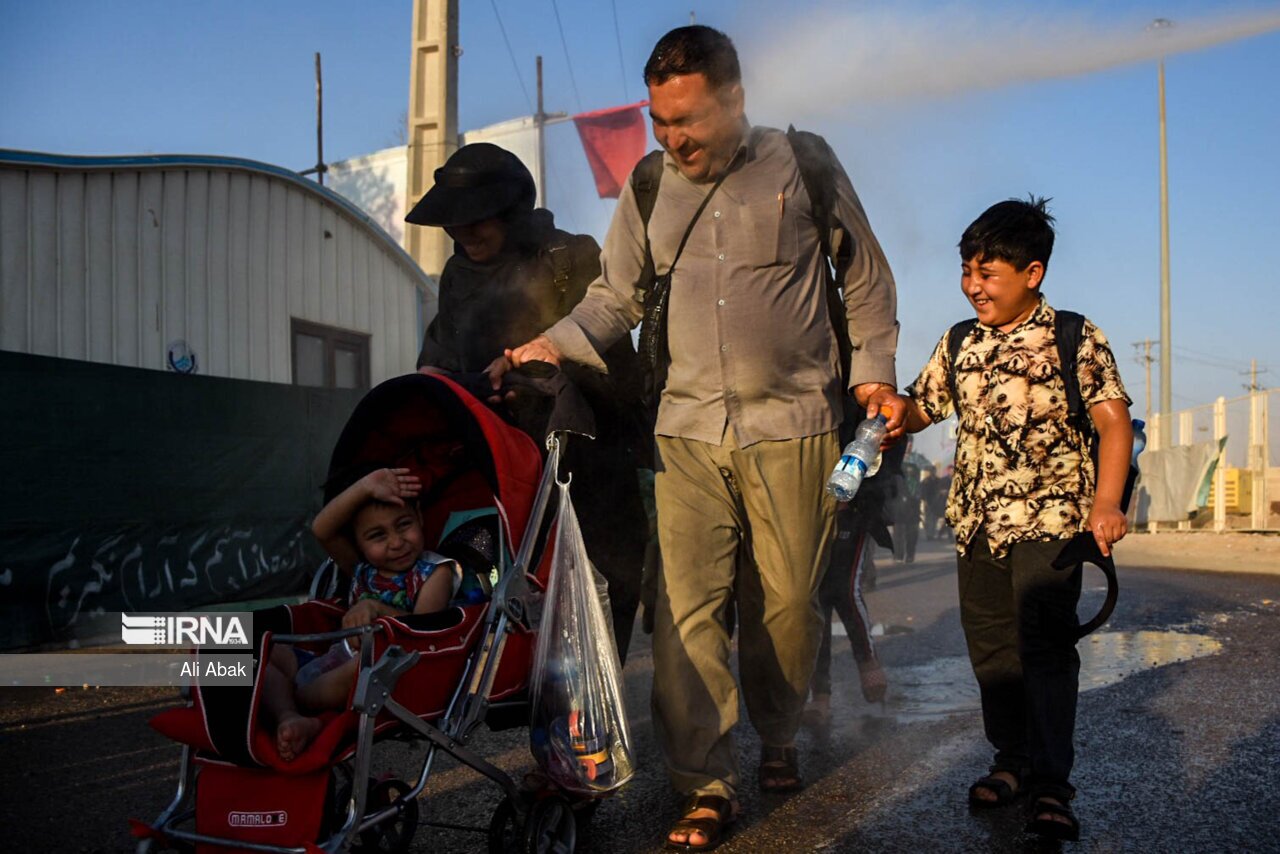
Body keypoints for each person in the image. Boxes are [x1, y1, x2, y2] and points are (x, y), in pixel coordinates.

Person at [493, 26, 906, 851]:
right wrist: (552, 343)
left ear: (734, 99)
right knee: (686, 612)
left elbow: (863, 275)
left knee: (788, 606)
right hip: (685, 429)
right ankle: (705, 784)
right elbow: (614, 296)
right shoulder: (649, 185)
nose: (672, 138)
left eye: (687, 119)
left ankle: (778, 730)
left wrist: (874, 375)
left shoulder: (803, 164)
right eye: (659, 121)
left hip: (795, 425)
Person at [900, 197, 1132, 842]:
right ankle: (1013, 760)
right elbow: (922, 407)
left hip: (1051, 522)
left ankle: (1052, 785)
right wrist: (892, 411)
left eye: (988, 273)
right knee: (993, 651)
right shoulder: (959, 341)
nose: (973, 286)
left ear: (1032, 273)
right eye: (966, 271)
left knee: (1046, 650)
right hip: (976, 522)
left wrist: (1106, 502)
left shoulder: (1074, 335)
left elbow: (1113, 422)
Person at [405, 142, 650, 663]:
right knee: (517, 611)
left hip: (590, 466)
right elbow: (440, 355)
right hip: (504, 473)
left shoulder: (569, 257)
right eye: (454, 223)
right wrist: (436, 381)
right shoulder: (456, 277)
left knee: (607, 594)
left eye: (477, 220)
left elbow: (619, 370)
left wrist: (540, 379)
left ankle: (596, 699)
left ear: (511, 210)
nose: (464, 234)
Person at [261, 467, 462, 761]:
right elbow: (321, 528)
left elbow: (423, 630)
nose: (396, 542)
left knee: (361, 672)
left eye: (404, 524)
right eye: (378, 535)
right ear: (357, 541)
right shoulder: (360, 568)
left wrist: (377, 608)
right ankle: (288, 715)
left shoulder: (435, 572)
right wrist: (366, 486)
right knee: (262, 648)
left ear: (419, 516)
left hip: (379, 675)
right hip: (327, 661)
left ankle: (292, 705)